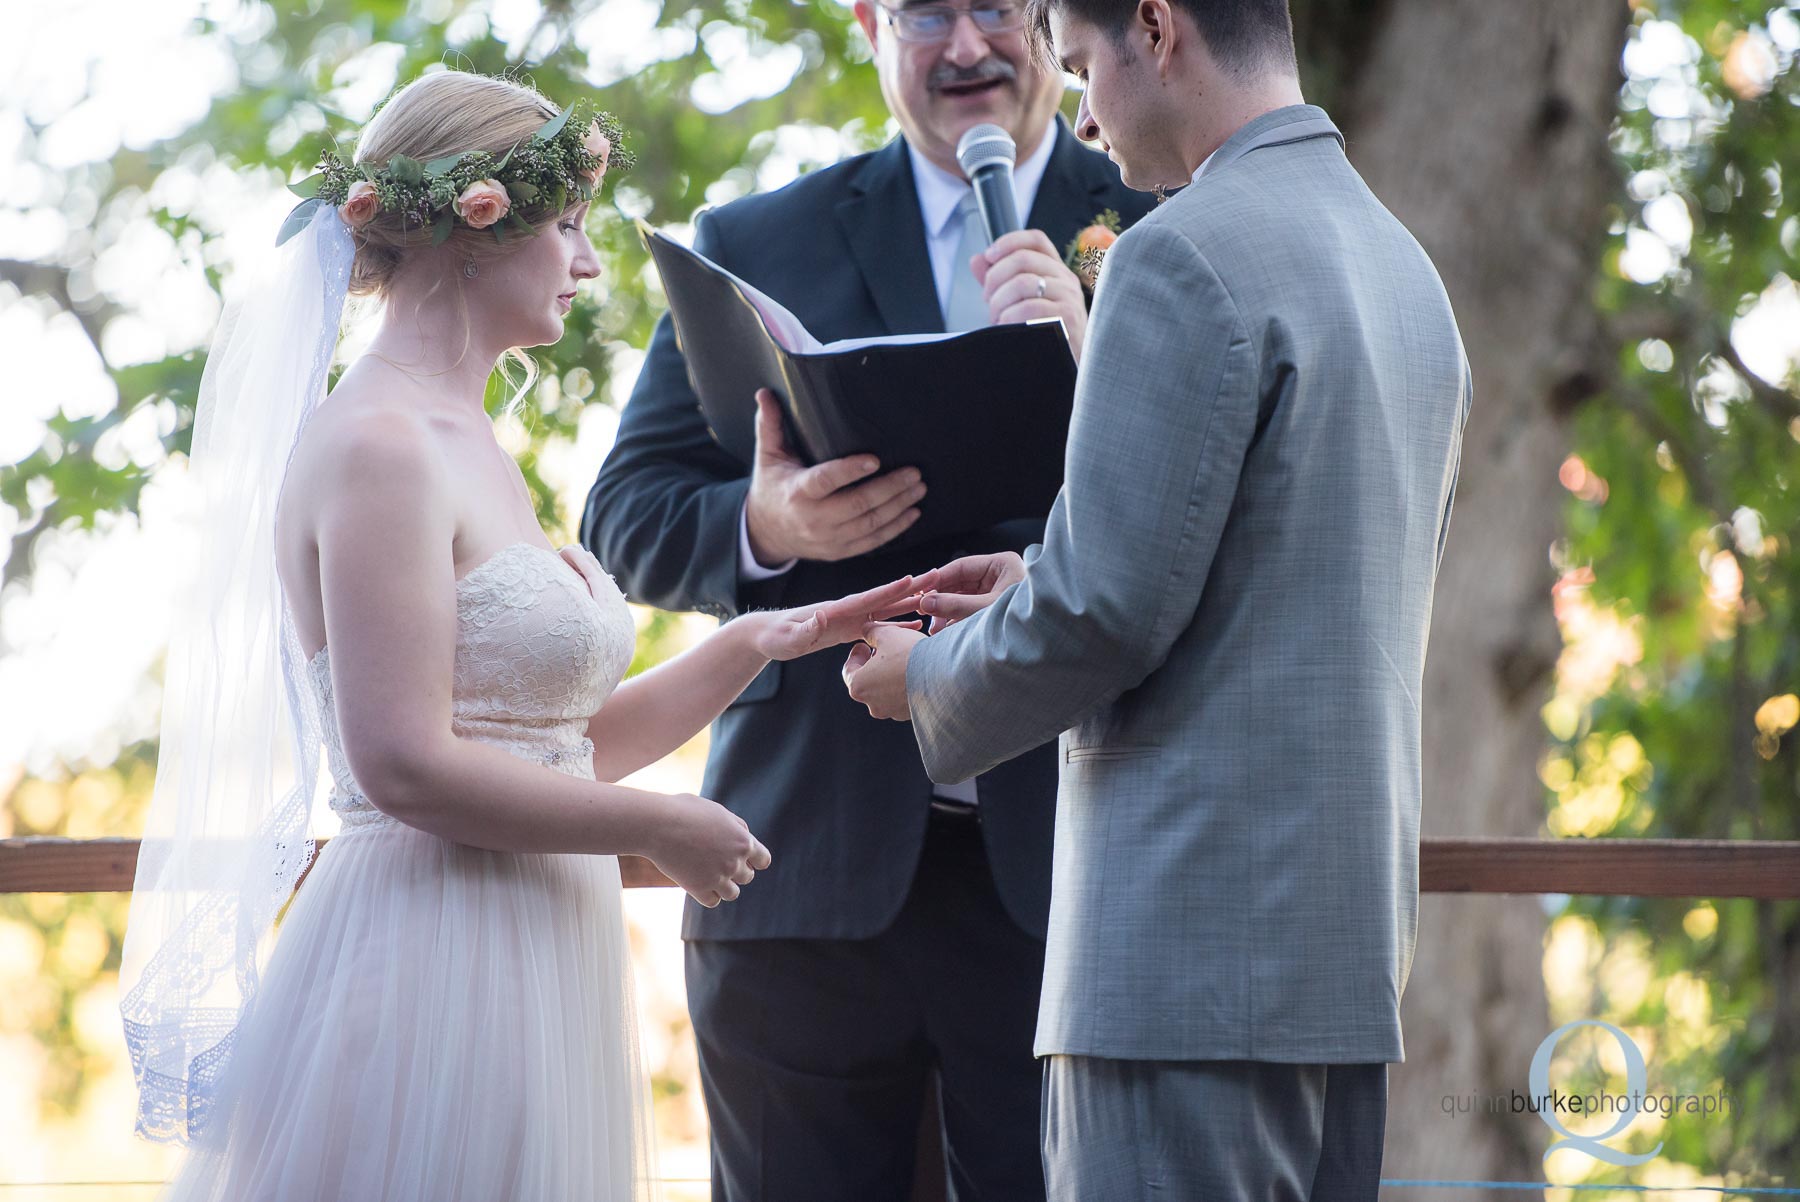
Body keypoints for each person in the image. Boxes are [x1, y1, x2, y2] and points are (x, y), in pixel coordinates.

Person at [118, 70, 920, 1202]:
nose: (590, 265)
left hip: (539, 947)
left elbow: (557, 745)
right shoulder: (381, 444)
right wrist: (659, 827)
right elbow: (402, 761)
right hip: (430, 959)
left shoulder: (472, 439)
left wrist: (759, 641)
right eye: (572, 227)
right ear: (476, 229)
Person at [842, 0, 1473, 1197]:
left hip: (1180, 956)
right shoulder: (1402, 266)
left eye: (1079, 65)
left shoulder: (1177, 251)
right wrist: (1035, 582)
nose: (1079, 108)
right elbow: (1276, 580)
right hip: (1341, 959)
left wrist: (924, 677)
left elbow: (1105, 615)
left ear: (1156, 26)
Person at [582, 3, 1152, 1198]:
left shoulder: (1159, 223)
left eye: (995, 6)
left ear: (1051, 23)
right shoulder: (759, 237)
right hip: (803, 871)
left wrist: (1093, 355)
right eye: (925, 12)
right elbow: (624, 511)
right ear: (868, 24)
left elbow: (1228, 517)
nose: (964, 47)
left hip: (1074, 874)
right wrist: (767, 525)